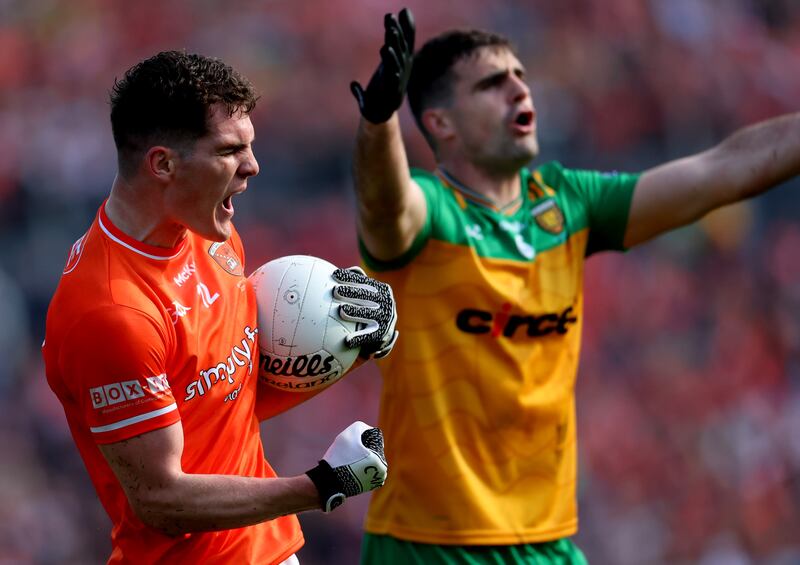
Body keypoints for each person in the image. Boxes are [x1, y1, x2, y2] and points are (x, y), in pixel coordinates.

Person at [349, 9, 800, 564]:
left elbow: (720, 171)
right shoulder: (432, 212)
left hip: (547, 545)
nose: (519, 88)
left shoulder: (568, 203)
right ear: (442, 123)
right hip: (428, 548)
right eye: (493, 83)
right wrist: (379, 123)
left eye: (520, 75)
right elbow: (386, 205)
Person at [42, 50, 398, 564]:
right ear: (162, 163)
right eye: (231, 150)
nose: (253, 167)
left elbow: (232, 393)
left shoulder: (214, 238)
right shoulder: (112, 313)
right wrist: (320, 487)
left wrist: (348, 347)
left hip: (270, 551)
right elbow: (161, 501)